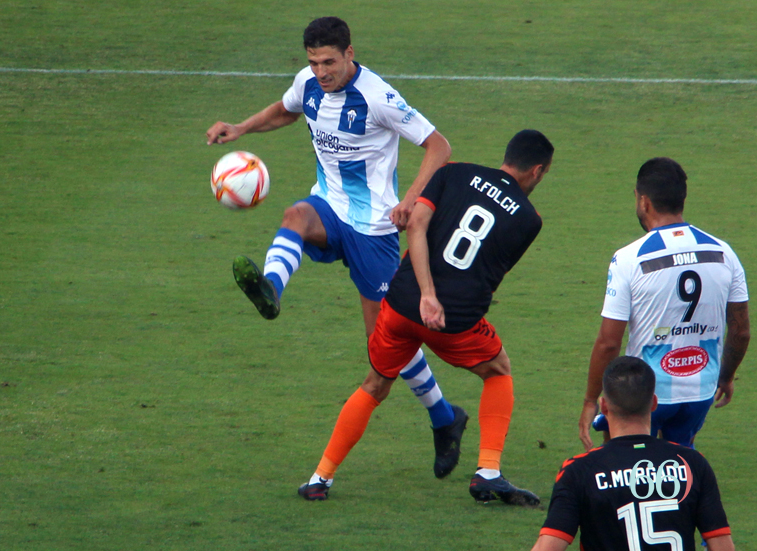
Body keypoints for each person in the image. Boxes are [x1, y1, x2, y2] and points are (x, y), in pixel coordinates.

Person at [205, 16, 465, 474]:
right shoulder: (308, 84)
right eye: (313, 62)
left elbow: (439, 146)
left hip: (374, 232)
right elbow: (288, 110)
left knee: (383, 347)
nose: (321, 72)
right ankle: (270, 289)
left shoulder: (378, 97)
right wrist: (242, 128)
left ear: (349, 53)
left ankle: (445, 418)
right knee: (294, 216)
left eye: (329, 62)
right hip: (329, 206)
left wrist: (410, 201)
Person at [298, 130, 554, 503]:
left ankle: (320, 478)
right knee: (497, 369)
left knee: (374, 385)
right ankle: (488, 472)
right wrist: (437, 301)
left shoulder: (453, 172)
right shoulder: (530, 220)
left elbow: (415, 225)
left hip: (401, 303)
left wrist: (424, 294)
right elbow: (487, 274)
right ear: (536, 171)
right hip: (453, 321)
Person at [578, 158, 749, 450]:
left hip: (642, 393)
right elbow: (741, 331)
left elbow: (608, 344)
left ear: (644, 201)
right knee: (680, 466)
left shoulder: (629, 258)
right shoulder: (724, 252)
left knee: (626, 464)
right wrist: (726, 376)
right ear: (682, 199)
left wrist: (591, 400)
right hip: (701, 387)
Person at [534, 356, 735, 551]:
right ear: (654, 403)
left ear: (603, 406)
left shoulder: (579, 470)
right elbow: (721, 544)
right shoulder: (692, 464)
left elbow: (549, 546)